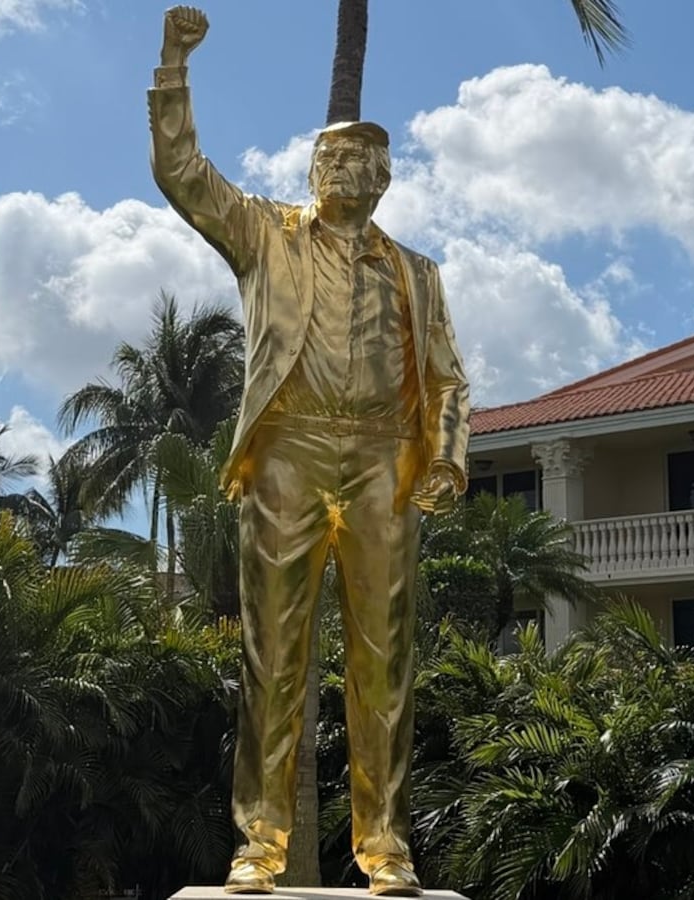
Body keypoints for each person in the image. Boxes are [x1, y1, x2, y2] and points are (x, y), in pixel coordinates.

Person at [147, 6, 471, 896]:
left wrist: (445, 458)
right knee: (274, 654)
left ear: (385, 179)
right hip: (289, 449)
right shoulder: (266, 235)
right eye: (334, 159)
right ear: (312, 171)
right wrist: (174, 68)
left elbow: (447, 379)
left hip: (383, 462)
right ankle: (259, 843)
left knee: (384, 663)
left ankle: (386, 846)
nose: (347, 171)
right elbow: (182, 173)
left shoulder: (417, 273)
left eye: (365, 162)